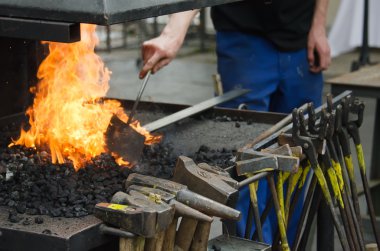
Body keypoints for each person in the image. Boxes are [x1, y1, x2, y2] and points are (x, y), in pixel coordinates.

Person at [139, 0, 331, 247]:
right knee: (246, 164)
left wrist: (319, 27)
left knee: (300, 158)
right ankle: (253, 245)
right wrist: (172, 34)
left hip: (301, 37)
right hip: (244, 38)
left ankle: (289, 245)